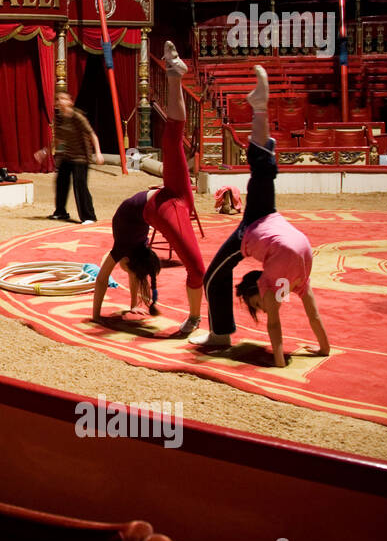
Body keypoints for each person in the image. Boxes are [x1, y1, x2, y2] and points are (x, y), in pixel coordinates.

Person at [188, 65, 330, 368]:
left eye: (257, 304)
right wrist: (309, 353)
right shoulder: (283, 283)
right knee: (261, 171)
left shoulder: (285, 283)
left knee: (214, 275)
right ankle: (259, 110)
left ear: (258, 290)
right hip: (268, 225)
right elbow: (297, 318)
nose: (262, 308)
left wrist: (284, 360)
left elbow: (279, 324)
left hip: (272, 230)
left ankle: (220, 333)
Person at [90, 43, 205, 335]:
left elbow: (105, 278)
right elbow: (108, 277)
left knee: (197, 269)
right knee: (173, 140)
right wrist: (111, 310)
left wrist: (96, 318)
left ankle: (194, 319)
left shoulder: (127, 250)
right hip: (165, 199)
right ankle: (175, 76)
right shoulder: (127, 250)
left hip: (168, 204)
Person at [49, 91, 102, 223]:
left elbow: (92, 135)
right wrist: (46, 151)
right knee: (61, 182)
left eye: (63, 98)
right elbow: (58, 139)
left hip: (81, 157)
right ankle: (60, 212)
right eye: (58, 99)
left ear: (70, 102)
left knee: (80, 185)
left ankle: (89, 216)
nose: (60, 101)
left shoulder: (77, 116)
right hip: (68, 156)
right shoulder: (59, 118)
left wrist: (98, 153)